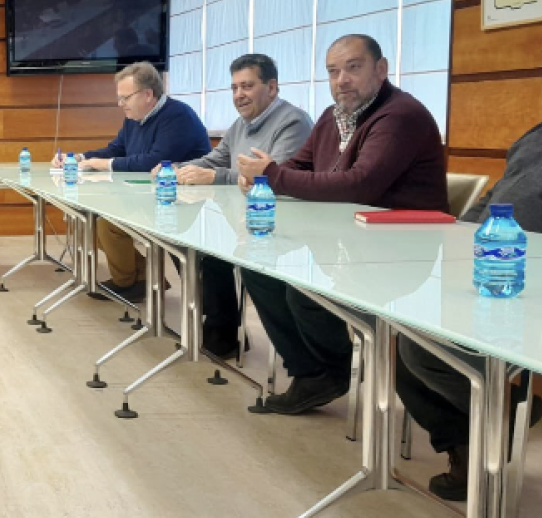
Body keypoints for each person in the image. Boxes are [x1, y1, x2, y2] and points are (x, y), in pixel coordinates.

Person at [236, 34, 447, 415]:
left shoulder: (400, 116)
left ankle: (329, 371)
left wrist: (271, 174)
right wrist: (261, 178)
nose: (342, 80)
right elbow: (299, 166)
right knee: (260, 268)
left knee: (305, 288)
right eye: (333, 72)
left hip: (398, 254)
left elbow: (358, 184)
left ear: (380, 70)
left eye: (353, 68)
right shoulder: (333, 117)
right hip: (345, 242)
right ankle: (313, 373)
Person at [393, 22, 542, 501]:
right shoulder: (537, 134)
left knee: (427, 349)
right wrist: (459, 240)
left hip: (539, 292)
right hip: (492, 275)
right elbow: (493, 202)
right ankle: (470, 443)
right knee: (402, 329)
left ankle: (503, 406)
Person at [168, 53, 314, 357]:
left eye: (246, 86)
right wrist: (176, 168)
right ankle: (220, 327)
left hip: (284, 224)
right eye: (234, 88)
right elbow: (215, 160)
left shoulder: (292, 121)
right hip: (243, 217)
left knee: (215, 253)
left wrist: (215, 176)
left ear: (272, 87)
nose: (238, 95)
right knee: (191, 242)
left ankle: (224, 333)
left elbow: (277, 175)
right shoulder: (241, 124)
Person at [53, 61, 210, 302]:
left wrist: (105, 164)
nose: (120, 104)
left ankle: (128, 282)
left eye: (125, 98)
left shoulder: (178, 116)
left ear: (148, 95)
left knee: (107, 224)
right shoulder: (134, 118)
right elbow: (116, 149)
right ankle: (143, 277)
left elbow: (156, 161)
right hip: (147, 197)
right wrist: (79, 157)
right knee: (89, 219)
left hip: (183, 203)